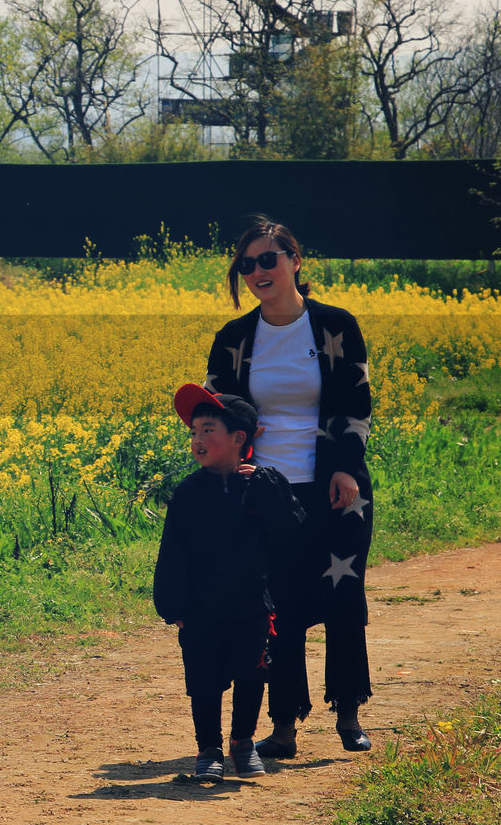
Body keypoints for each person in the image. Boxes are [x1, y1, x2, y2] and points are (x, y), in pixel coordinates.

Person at [204, 215, 376, 757]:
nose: (258, 271)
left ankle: (348, 714)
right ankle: (283, 726)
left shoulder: (336, 326)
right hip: (268, 492)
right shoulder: (233, 339)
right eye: (247, 264)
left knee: (344, 597)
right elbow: (217, 414)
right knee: (280, 609)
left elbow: (355, 403)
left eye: (268, 260)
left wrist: (346, 466)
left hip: (334, 487)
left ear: (295, 262)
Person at [154, 384, 305, 783]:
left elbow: (293, 533)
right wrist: (175, 606)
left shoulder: (261, 486)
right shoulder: (187, 493)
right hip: (201, 607)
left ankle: (242, 742)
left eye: (208, 431)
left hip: (251, 604)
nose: (197, 440)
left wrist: (270, 489)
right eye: (193, 432)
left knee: (252, 674)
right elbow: (172, 554)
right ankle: (208, 750)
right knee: (203, 679)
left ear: (239, 438)